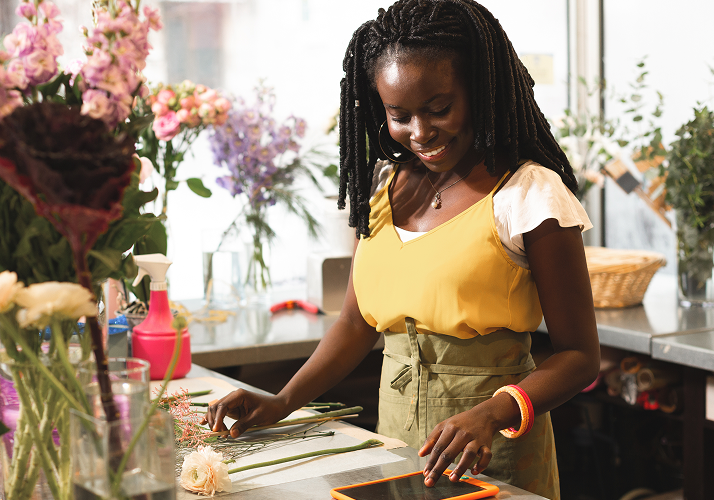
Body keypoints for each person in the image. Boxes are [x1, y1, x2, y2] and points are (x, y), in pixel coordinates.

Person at [203, 1, 600, 498]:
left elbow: (581, 356)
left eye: (439, 109)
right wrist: (281, 402)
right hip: (395, 450)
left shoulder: (529, 194)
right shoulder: (382, 185)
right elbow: (355, 323)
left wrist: (493, 412)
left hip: (492, 449)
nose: (420, 133)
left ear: (477, 90)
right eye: (400, 115)